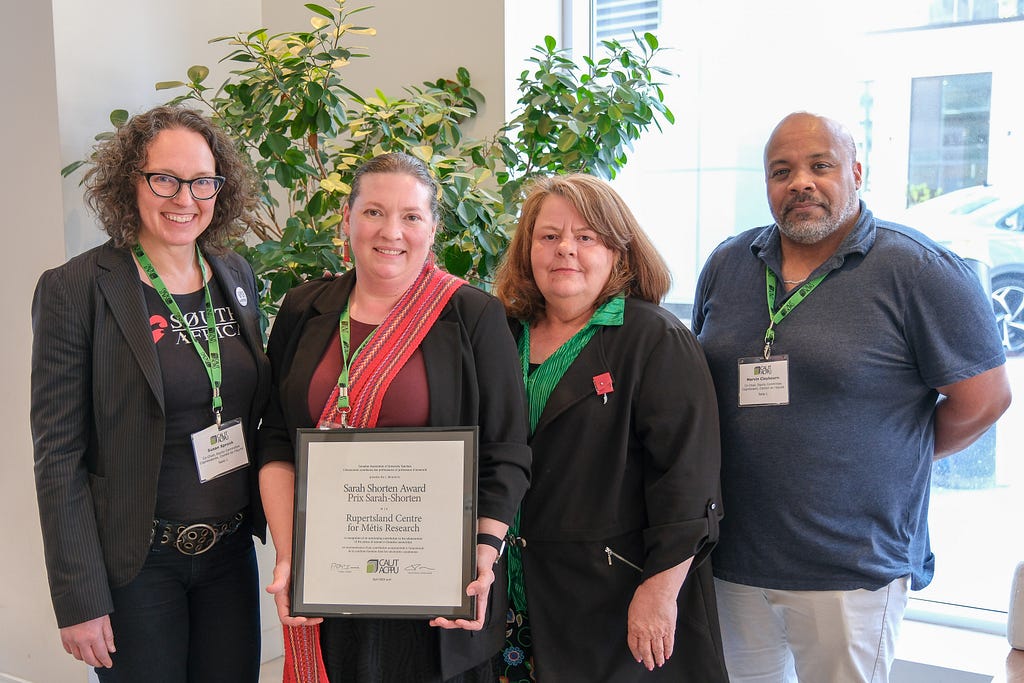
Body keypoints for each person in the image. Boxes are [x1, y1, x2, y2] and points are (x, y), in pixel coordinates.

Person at [691, 111, 1013, 682]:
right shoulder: (728, 263)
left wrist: (898, 451)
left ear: (857, 173)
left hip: (851, 567)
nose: (800, 183)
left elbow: (984, 399)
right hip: (733, 557)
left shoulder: (918, 269)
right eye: (781, 171)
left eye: (821, 166)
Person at [256, 151, 531, 682]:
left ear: (433, 228)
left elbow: (507, 451)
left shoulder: (472, 314)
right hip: (331, 580)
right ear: (348, 220)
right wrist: (294, 557)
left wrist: (482, 551)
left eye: (411, 216)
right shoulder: (302, 309)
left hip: (435, 588)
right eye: (374, 212)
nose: (391, 231)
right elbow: (275, 441)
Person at [30, 105, 271, 681]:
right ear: (129, 182)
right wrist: (80, 598)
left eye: (202, 182)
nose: (185, 198)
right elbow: (58, 455)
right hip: (137, 565)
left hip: (229, 554)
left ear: (222, 188)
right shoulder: (77, 289)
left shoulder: (234, 275)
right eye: (164, 178)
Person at [492, 173, 728, 682]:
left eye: (586, 237)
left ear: (618, 252)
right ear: (527, 249)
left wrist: (660, 593)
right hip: (511, 591)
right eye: (549, 236)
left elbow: (689, 480)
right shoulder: (502, 334)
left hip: (617, 594)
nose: (565, 251)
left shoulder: (655, 339)